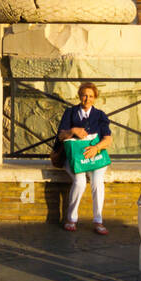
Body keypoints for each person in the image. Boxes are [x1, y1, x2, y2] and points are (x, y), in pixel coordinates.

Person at [56, 81, 112, 235]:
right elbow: (61, 136)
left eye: (91, 96)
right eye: (84, 95)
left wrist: (96, 148)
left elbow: (108, 139)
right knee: (80, 182)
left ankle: (98, 220)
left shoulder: (100, 115)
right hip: (74, 157)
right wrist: (73, 130)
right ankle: (71, 218)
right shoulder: (70, 112)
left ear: (95, 98)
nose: (87, 99)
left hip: (95, 156)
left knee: (97, 181)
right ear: (80, 96)